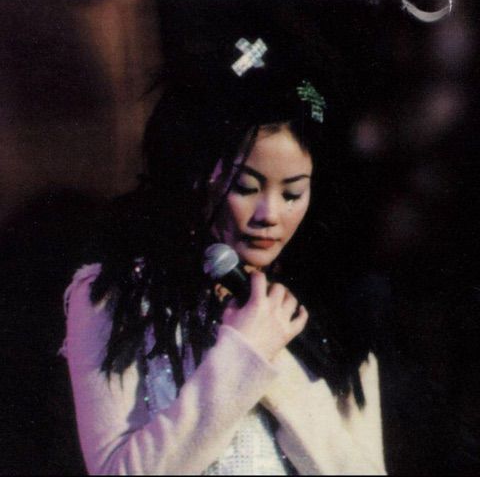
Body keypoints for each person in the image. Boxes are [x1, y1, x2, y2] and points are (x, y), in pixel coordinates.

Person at [62, 34, 386, 475]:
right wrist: (242, 356)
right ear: (198, 175)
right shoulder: (117, 297)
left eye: (293, 193)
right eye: (246, 187)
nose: (269, 215)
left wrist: (278, 365)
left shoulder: (332, 315)